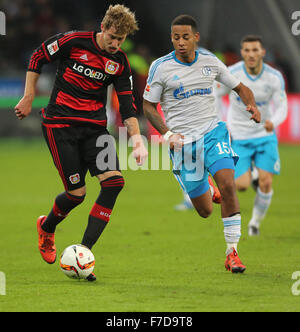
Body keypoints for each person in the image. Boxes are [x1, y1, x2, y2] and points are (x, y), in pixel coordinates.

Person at [14, 4, 148, 281]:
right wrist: (28, 96)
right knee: (77, 195)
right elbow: (38, 57)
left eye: (120, 40)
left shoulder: (120, 63)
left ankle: (83, 252)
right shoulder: (74, 41)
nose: (114, 44)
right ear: (103, 27)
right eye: (112, 37)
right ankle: (47, 226)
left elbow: (127, 107)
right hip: (60, 125)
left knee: (114, 183)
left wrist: (137, 141)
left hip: (95, 130)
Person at [143, 15, 261, 273]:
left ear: (195, 37)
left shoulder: (210, 62)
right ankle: (209, 189)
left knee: (228, 183)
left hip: (213, 132)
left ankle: (232, 253)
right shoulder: (160, 67)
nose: (181, 42)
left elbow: (241, 88)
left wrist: (251, 104)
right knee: (205, 210)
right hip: (183, 143)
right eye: (176, 37)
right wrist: (166, 133)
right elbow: (148, 106)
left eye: (186, 37)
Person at [216, 35, 287, 236]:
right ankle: (253, 173)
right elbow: (216, 94)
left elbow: (282, 104)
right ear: (242, 53)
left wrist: (274, 122)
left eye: (255, 50)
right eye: (247, 50)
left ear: (263, 52)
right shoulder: (232, 74)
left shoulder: (274, 77)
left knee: (266, 183)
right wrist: (218, 120)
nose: (251, 54)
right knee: (242, 185)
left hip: (264, 134)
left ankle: (255, 222)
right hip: (239, 135)